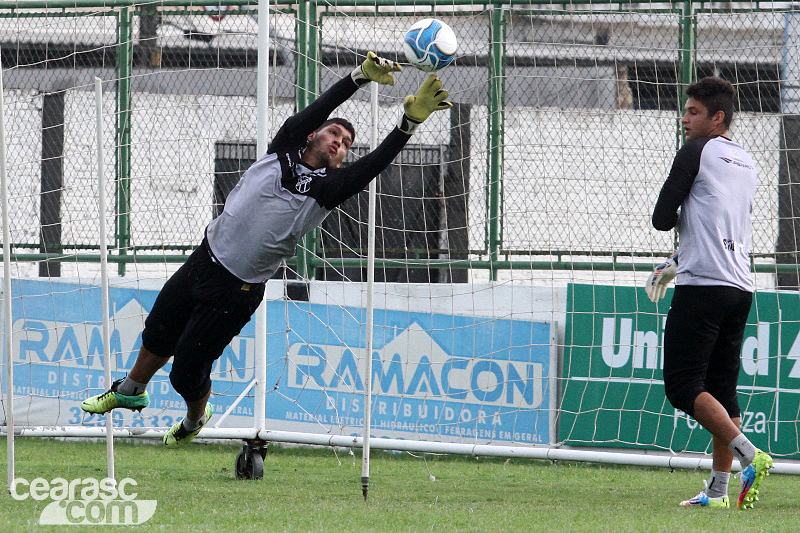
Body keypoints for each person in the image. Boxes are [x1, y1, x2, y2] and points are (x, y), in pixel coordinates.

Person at [81, 52, 452, 446]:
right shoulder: (284, 146)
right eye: (333, 134)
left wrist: (408, 124)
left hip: (236, 289)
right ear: (312, 136)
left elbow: (374, 164)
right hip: (204, 258)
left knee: (185, 372)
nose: (338, 142)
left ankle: (194, 419)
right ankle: (131, 390)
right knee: (158, 330)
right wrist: (358, 77)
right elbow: (319, 108)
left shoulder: (330, 187)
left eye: (345, 144)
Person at [647, 76, 772, 509]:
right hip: (740, 287)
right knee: (722, 390)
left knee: (682, 387)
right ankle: (718, 492)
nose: (684, 119)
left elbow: (662, 218)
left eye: (693, 112)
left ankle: (750, 456)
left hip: (703, 286)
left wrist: (678, 256)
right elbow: (719, 221)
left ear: (717, 117)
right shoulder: (746, 161)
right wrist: (679, 258)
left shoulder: (695, 151)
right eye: (685, 111)